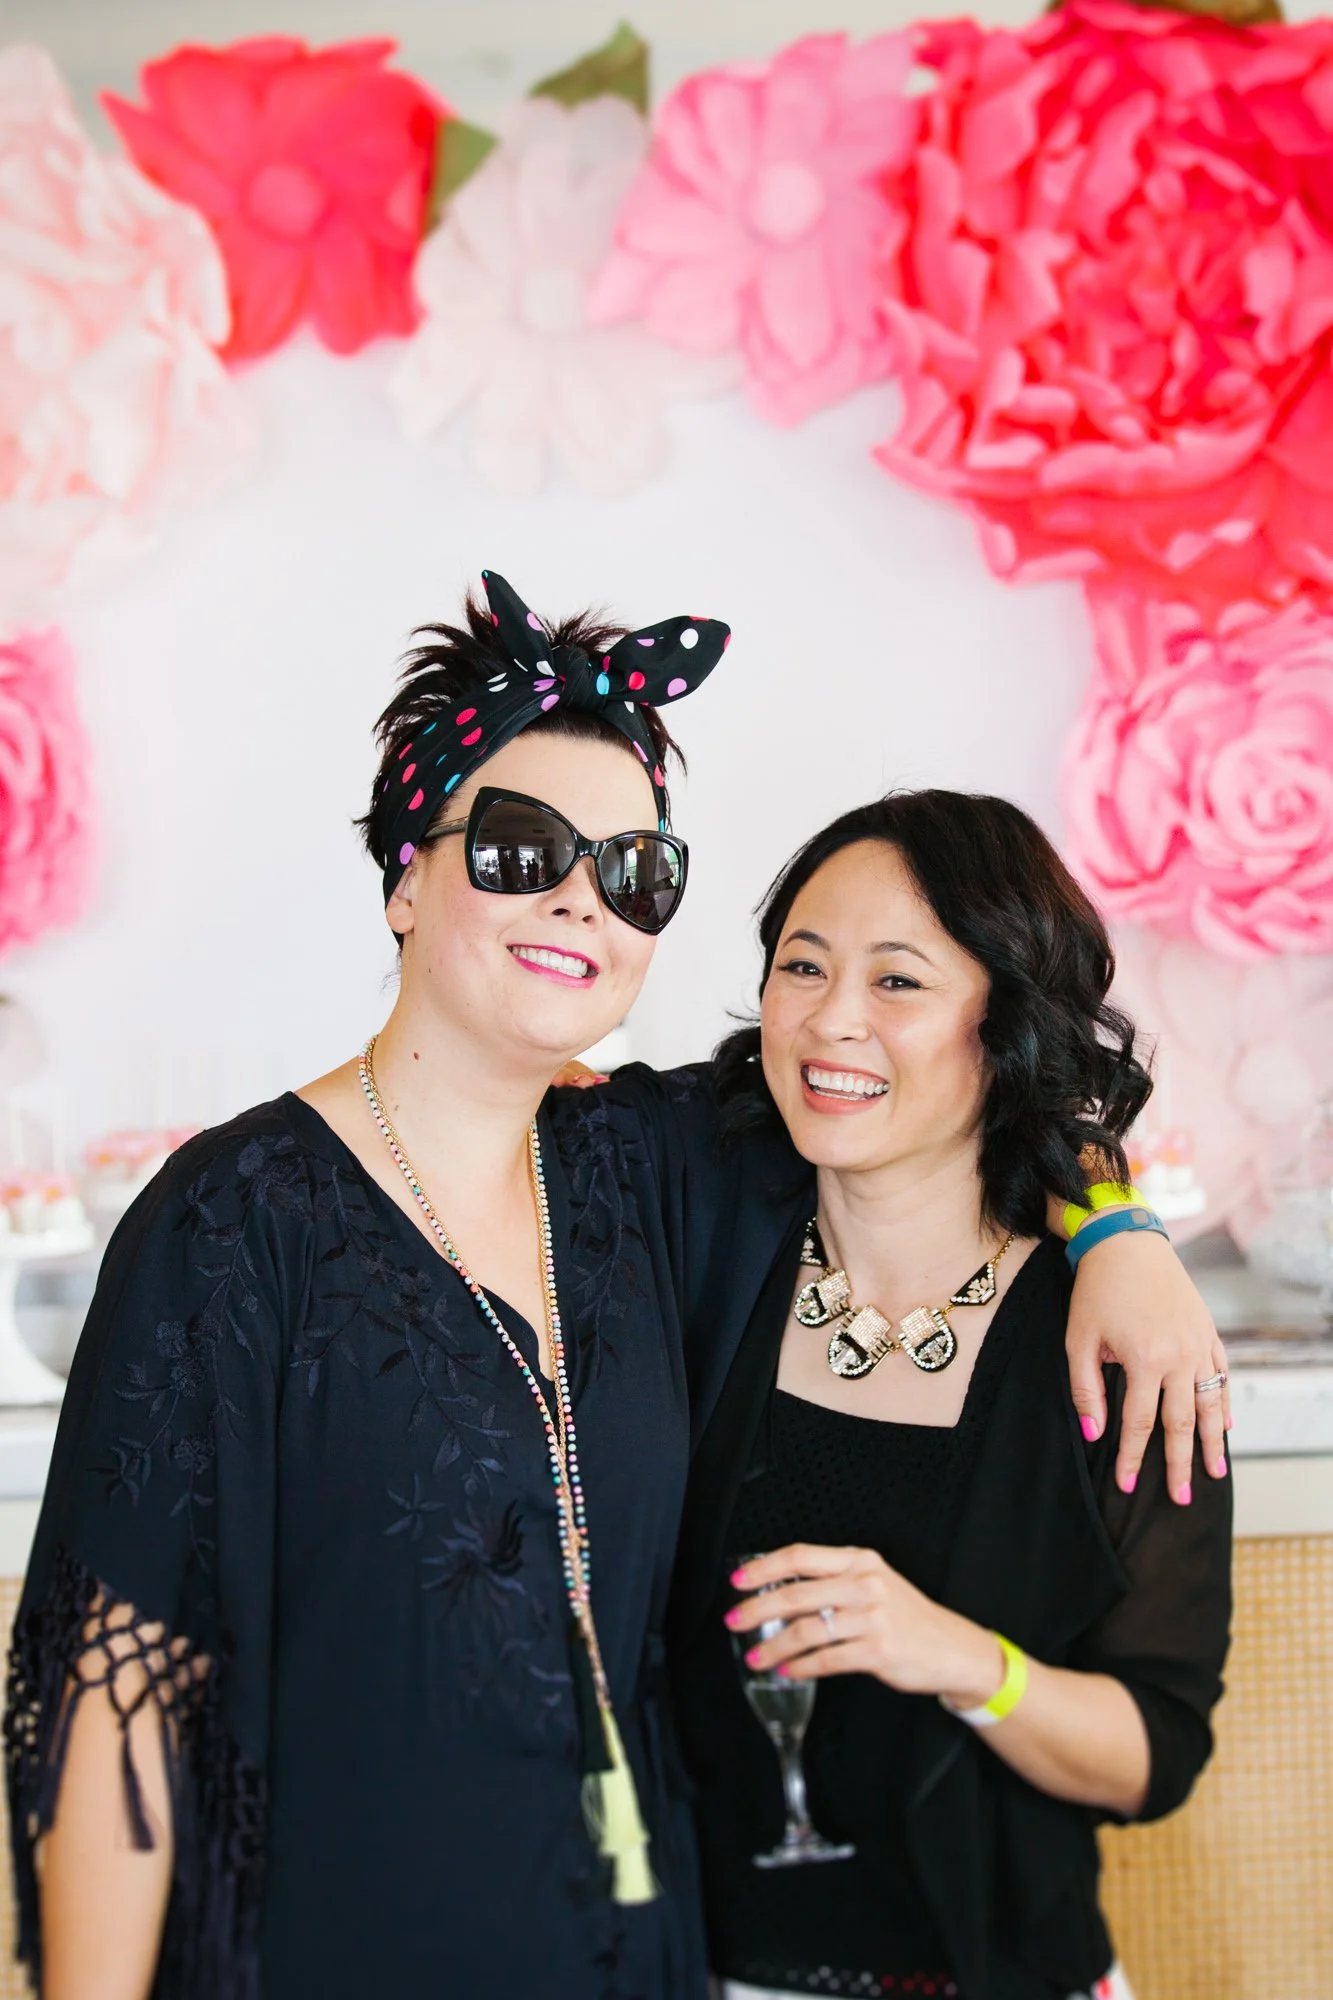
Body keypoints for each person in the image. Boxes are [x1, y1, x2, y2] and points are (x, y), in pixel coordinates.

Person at [5, 577, 1224, 2000]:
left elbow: (953, 1070)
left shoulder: (646, 1171)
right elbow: (119, 1711)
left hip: (637, 1951)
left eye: (635, 871)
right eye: (522, 848)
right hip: (338, 1945)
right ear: (405, 875)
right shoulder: (226, 1225)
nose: (582, 897)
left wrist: (1113, 1231)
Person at [660, 793, 1232, 2000]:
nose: (831, 1020)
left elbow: (1152, 1753)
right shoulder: (693, 1241)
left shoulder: (1119, 1349)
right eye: (801, 965)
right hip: (700, 1971)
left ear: (1006, 1018)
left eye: (898, 981)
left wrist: (961, 1656)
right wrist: (1114, 1211)